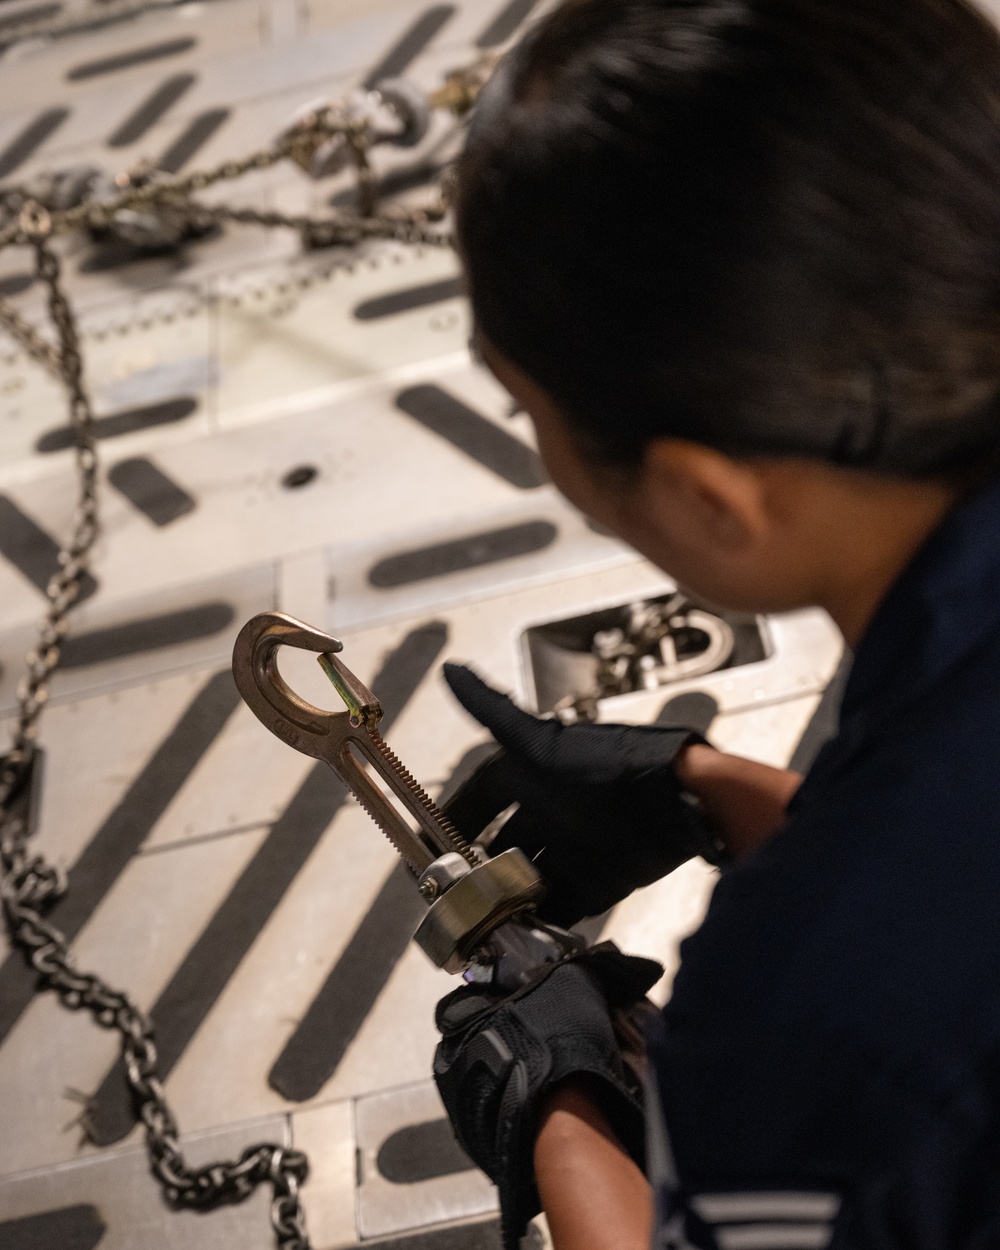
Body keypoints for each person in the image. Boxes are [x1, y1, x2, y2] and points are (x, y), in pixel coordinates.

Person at [428, 0, 1000, 1247]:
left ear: (708, 498)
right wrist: (720, 789)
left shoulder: (795, 1018)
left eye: (528, 406)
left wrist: (557, 1107)